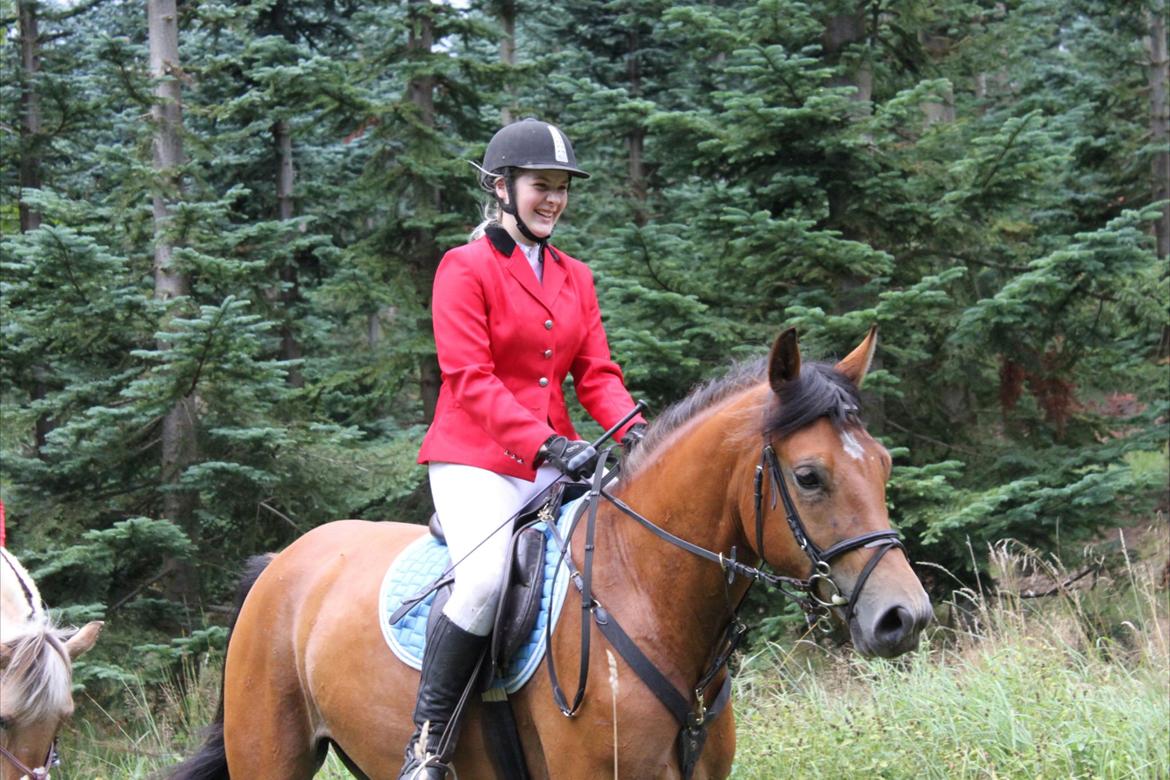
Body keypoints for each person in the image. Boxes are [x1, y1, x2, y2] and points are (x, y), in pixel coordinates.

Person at [402, 118, 647, 779]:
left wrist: (636, 434)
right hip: (474, 458)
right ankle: (426, 747)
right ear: (502, 187)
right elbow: (470, 381)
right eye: (542, 186)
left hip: (551, 461)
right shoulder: (465, 267)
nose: (554, 200)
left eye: (562, 188)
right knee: (482, 579)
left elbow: (596, 374)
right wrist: (548, 444)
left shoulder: (577, 277)